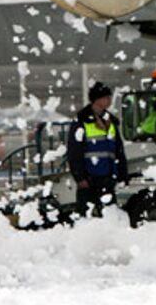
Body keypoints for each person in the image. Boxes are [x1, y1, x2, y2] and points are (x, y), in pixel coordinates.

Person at [67, 82, 128, 217]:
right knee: (85, 217)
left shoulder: (110, 122)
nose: (109, 100)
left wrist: (122, 175)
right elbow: (74, 152)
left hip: (108, 178)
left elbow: (118, 151)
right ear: (97, 99)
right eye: (106, 97)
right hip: (89, 179)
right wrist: (80, 177)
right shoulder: (81, 121)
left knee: (109, 216)